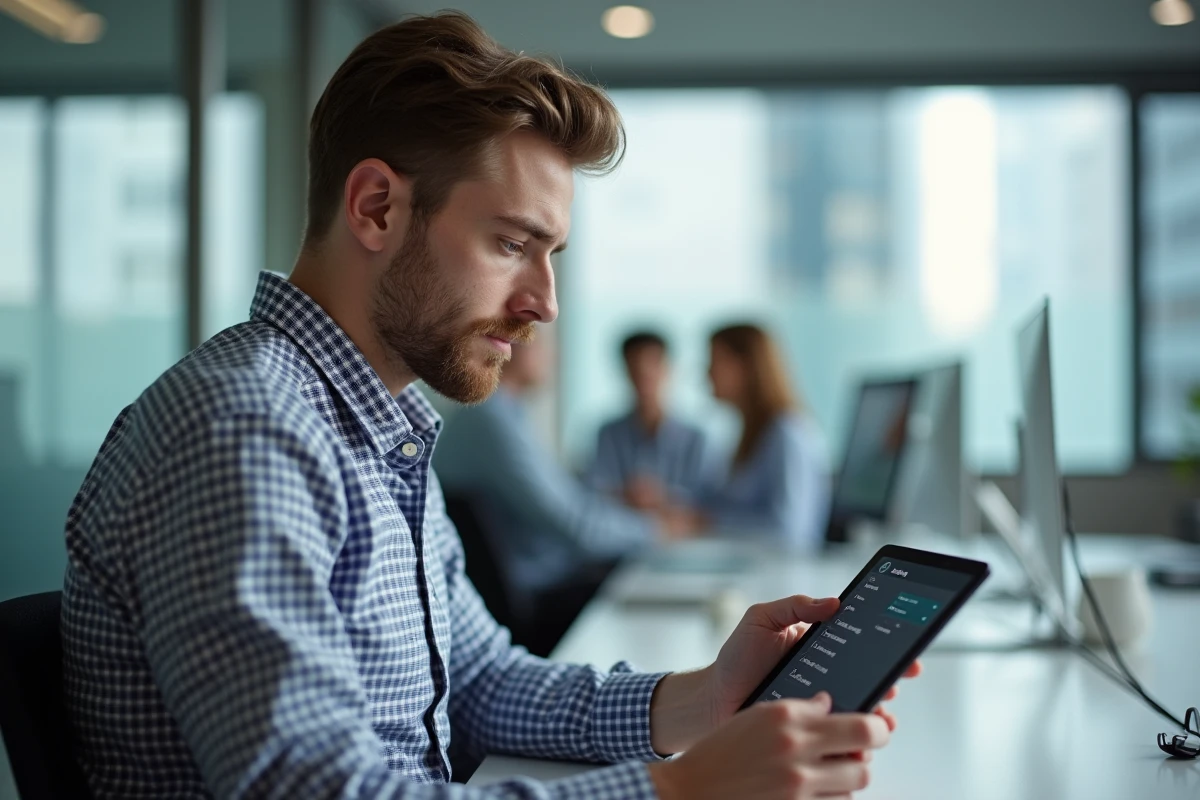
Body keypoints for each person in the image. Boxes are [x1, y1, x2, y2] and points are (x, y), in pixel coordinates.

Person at [60, 13, 912, 799]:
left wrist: (708, 698)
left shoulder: (375, 430)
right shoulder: (247, 429)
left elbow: (479, 682)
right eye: (511, 244)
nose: (545, 303)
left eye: (551, 255)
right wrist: (680, 791)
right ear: (377, 208)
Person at [434, 335, 661, 655]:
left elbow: (570, 504)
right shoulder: (490, 419)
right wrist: (655, 530)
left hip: (534, 583)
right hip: (532, 596)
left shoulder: (507, 414)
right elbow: (574, 525)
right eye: (540, 342)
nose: (552, 356)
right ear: (508, 344)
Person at [698, 323, 832, 549]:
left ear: (746, 367)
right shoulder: (750, 434)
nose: (707, 373)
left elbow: (789, 530)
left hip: (781, 566)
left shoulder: (787, 434)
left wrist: (707, 522)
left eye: (715, 361)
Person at [588, 331, 708, 510]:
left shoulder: (696, 439)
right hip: (617, 526)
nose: (644, 372)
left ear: (668, 368)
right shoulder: (608, 434)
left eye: (653, 363)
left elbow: (705, 500)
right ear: (625, 370)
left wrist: (659, 497)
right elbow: (595, 490)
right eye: (635, 366)